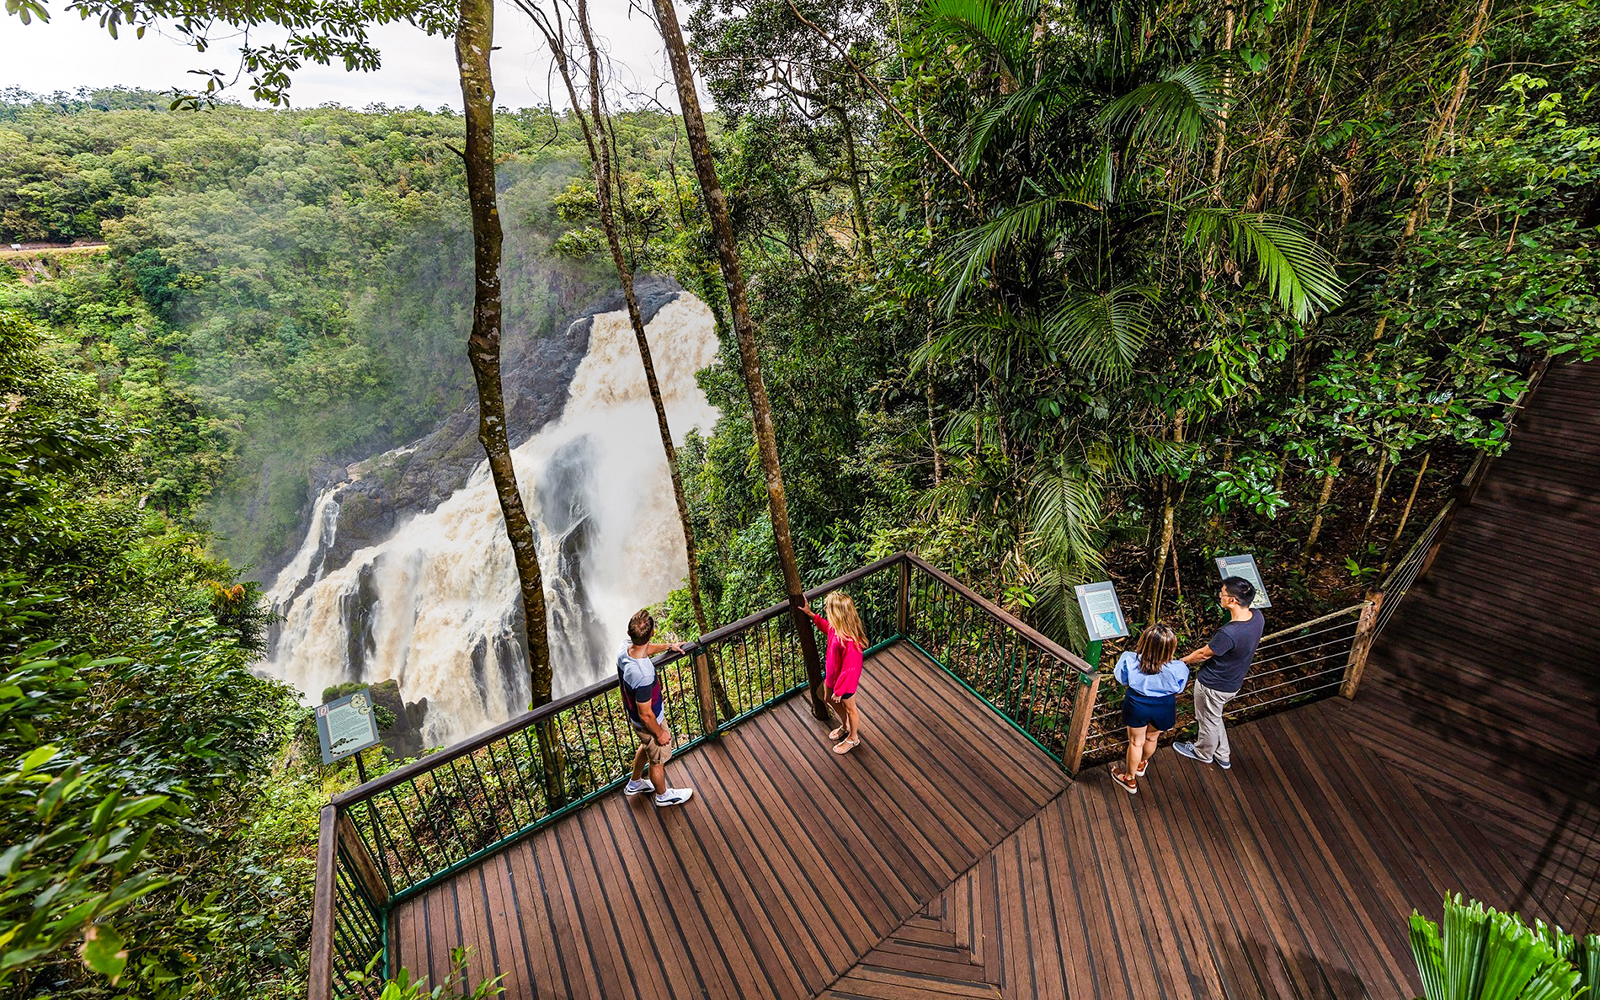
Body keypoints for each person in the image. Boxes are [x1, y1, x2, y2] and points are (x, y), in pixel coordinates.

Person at [1173, 577, 1266, 770]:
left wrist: (1180, 661)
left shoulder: (1229, 633)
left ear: (1233, 600)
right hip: (1233, 681)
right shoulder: (1257, 617)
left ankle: (1203, 753)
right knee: (1213, 716)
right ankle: (1222, 754)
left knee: (1206, 719)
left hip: (1214, 684)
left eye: (1222, 593)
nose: (1219, 596)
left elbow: (1203, 654)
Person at [618, 609, 694, 807]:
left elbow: (645, 648)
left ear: (629, 634)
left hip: (634, 718)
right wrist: (659, 732)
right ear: (652, 633)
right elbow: (646, 714)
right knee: (657, 759)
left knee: (647, 747)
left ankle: (635, 782)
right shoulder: (643, 675)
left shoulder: (624, 648)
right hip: (650, 721)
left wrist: (669, 646)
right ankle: (663, 795)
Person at [1109, 624, 1189, 795]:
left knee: (1136, 742)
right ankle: (1141, 763)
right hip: (1164, 705)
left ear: (1144, 642)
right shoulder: (1178, 667)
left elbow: (1122, 678)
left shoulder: (1129, 659)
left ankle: (1129, 778)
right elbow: (1180, 688)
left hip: (1137, 703)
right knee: (1152, 739)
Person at [807, 591, 869, 755]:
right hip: (832, 677)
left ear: (837, 612)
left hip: (845, 683)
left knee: (851, 709)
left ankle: (853, 738)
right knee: (827, 698)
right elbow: (827, 627)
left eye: (828, 607)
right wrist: (811, 615)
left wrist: (840, 691)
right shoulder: (837, 628)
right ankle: (845, 725)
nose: (825, 608)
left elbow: (851, 669)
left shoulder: (851, 641)